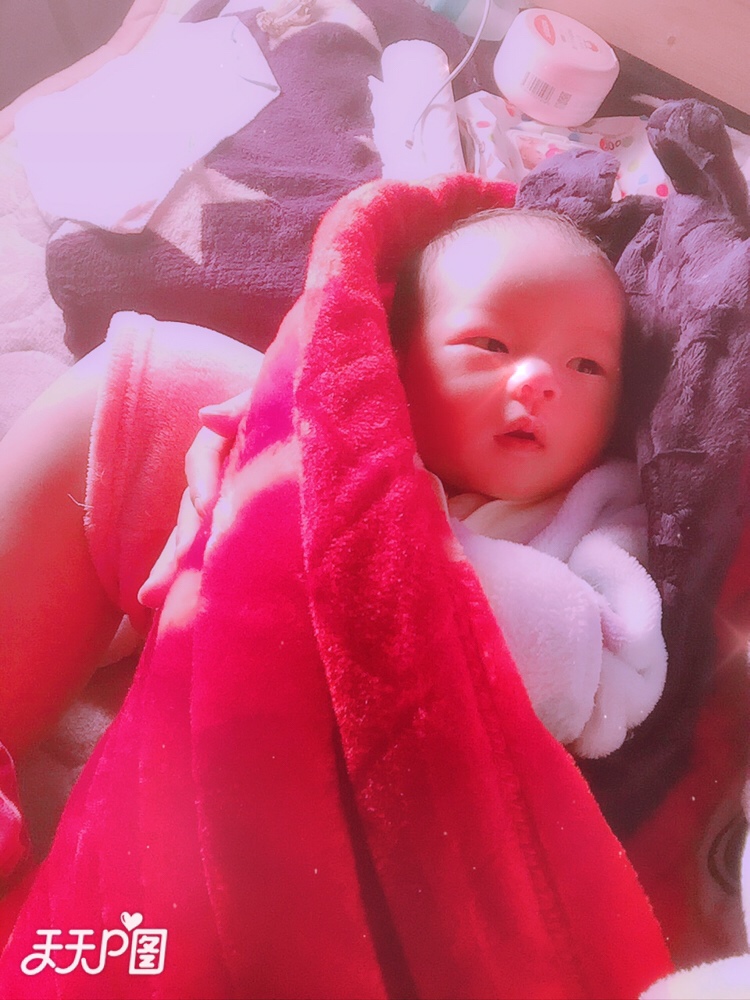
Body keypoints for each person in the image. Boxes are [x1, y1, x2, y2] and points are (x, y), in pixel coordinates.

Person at [0, 206, 665, 772]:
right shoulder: (349, 427)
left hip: (376, 770)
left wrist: (404, 530)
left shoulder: (599, 511)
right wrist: (289, 432)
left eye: (586, 365)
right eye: (491, 344)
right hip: (233, 657)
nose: (539, 382)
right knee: (143, 378)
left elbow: (607, 672)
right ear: (395, 360)